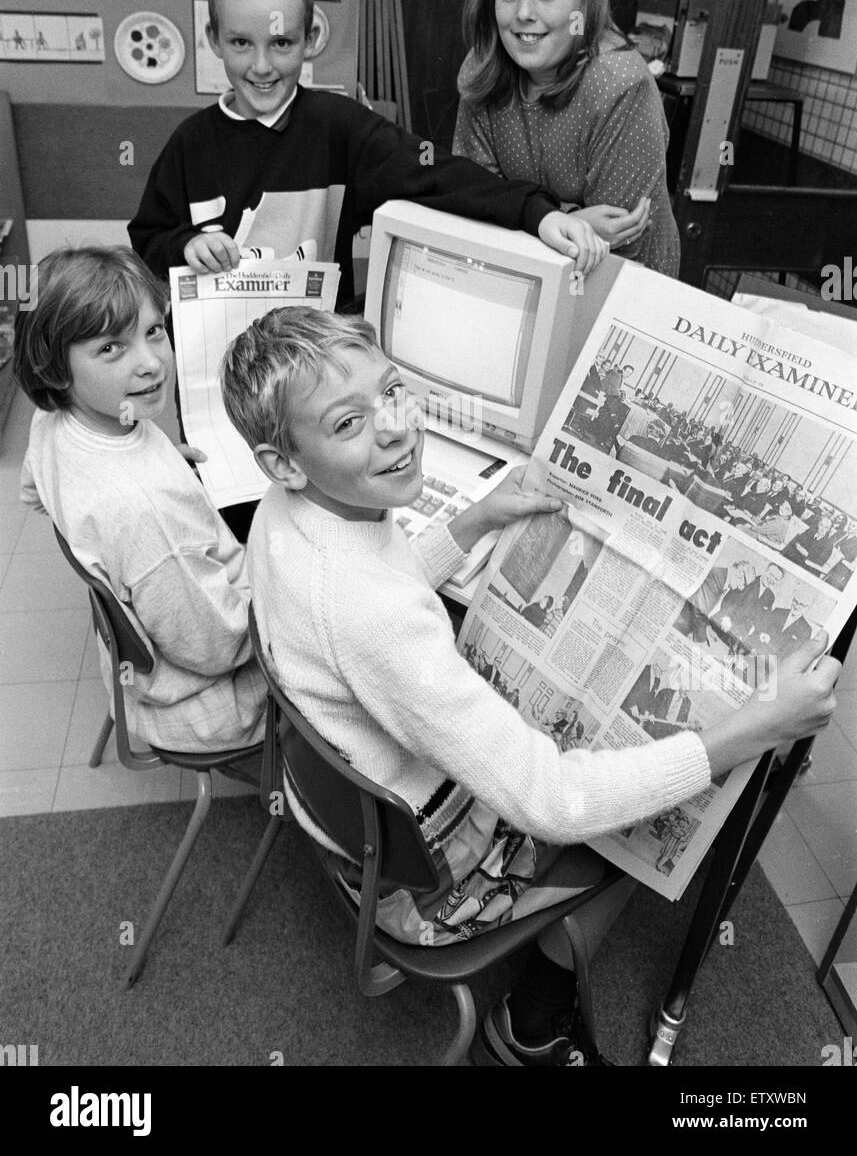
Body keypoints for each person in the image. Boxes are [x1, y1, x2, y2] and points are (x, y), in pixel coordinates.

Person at [220, 304, 841, 1067]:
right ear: (283, 463)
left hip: (351, 834)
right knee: (642, 819)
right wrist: (755, 730)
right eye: (348, 424)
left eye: (391, 391)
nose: (394, 427)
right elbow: (553, 803)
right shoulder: (371, 615)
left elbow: (366, 600)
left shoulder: (282, 519)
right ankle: (531, 1022)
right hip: (423, 891)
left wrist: (475, 521)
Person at [128, 0, 602, 540]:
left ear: (312, 37)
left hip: (318, 394)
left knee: (315, 521)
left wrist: (535, 213)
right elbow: (146, 238)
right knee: (236, 525)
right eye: (241, 44)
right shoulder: (189, 146)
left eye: (283, 44)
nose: (262, 64)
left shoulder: (338, 128)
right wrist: (182, 244)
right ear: (213, 39)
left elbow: (432, 174)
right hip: (218, 391)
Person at [12, 247, 266, 754]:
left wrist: (154, 455)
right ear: (55, 369)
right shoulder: (145, 514)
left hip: (140, 671)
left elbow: (33, 493)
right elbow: (218, 648)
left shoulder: (54, 421)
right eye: (111, 348)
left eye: (154, 330)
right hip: (211, 704)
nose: (153, 363)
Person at [453, 0, 680, 276]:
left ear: (586, 2)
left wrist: (526, 215)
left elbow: (614, 241)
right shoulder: (482, 67)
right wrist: (570, 220)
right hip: (518, 277)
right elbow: (472, 201)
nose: (524, 13)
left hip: (622, 289)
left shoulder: (620, 84)